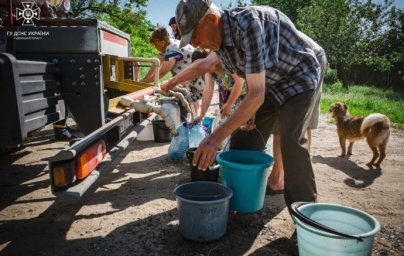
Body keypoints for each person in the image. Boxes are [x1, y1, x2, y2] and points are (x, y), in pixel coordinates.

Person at [160, 0, 321, 213]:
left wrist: (215, 138)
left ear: (212, 18)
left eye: (196, 35)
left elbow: (256, 94)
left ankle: (306, 216)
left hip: (299, 77)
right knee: (243, 139)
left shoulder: (249, 25)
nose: (196, 43)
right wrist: (169, 84)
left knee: (291, 141)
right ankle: (236, 202)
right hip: (269, 84)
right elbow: (205, 66)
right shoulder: (220, 41)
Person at [267, 31, 327, 194]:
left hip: (309, 60)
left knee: (284, 122)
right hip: (310, 55)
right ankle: (285, 176)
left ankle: (279, 178)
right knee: (299, 123)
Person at [140, 26, 205, 121]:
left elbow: (162, 72)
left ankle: (192, 125)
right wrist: (144, 79)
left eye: (155, 44)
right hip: (189, 78)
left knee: (190, 106)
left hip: (193, 80)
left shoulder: (172, 49)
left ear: (162, 42)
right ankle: (193, 123)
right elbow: (157, 62)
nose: (155, 47)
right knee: (190, 105)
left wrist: (145, 83)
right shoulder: (168, 45)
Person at [196, 51, 246, 123]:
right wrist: (202, 114)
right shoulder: (208, 70)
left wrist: (229, 104)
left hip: (250, 93)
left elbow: (240, 81)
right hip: (234, 96)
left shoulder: (225, 61)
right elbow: (208, 91)